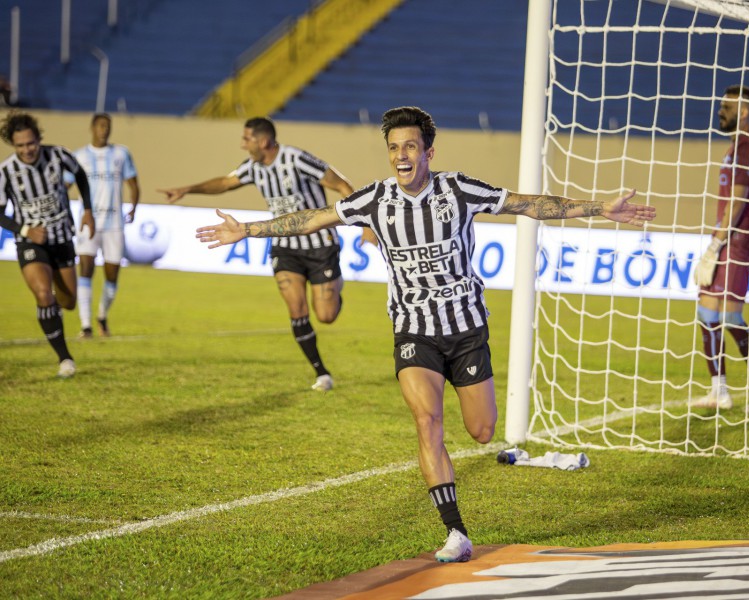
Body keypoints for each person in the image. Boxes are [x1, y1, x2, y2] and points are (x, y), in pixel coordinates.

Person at [195, 106, 656, 562]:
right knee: (427, 422)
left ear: (428, 152)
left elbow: (527, 204)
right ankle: (456, 532)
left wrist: (599, 208)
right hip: (413, 329)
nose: (401, 155)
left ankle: (466, 481)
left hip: (466, 327)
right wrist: (249, 229)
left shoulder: (458, 190)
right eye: (394, 147)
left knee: (482, 430)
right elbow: (312, 218)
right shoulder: (373, 199)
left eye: (410, 146)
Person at [160, 117, 367, 391]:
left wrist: (363, 221)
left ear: (264, 141)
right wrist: (188, 189)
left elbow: (340, 184)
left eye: (247, 139)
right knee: (296, 308)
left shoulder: (297, 159)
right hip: (284, 246)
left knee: (326, 315)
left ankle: (335, 287)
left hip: (320, 244)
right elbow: (224, 182)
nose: (243, 144)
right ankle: (322, 373)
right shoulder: (253, 168)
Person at [691, 85, 749, 414]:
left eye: (726, 107)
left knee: (729, 316)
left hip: (738, 241)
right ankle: (720, 392)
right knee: (707, 313)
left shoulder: (747, 146)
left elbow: (739, 200)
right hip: (727, 240)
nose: (720, 111)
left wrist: (715, 245)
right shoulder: (736, 147)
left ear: (743, 112)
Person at [0, 111, 95, 377]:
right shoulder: (6, 172)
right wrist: (25, 230)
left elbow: (82, 177)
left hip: (62, 238)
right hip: (31, 243)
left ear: (38, 139)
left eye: (31, 143)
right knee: (44, 294)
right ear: (13, 144)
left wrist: (87, 210)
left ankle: (53, 311)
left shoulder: (58, 155)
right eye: (20, 145)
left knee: (68, 302)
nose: (27, 149)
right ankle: (65, 358)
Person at [66, 113, 140, 338]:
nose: (104, 130)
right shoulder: (79, 156)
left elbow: (134, 184)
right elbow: (65, 186)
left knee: (112, 275)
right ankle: (86, 325)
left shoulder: (121, 153)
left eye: (107, 126)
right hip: (89, 223)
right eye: (100, 126)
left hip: (115, 224)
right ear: (92, 128)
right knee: (86, 269)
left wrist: (134, 207)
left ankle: (102, 316)